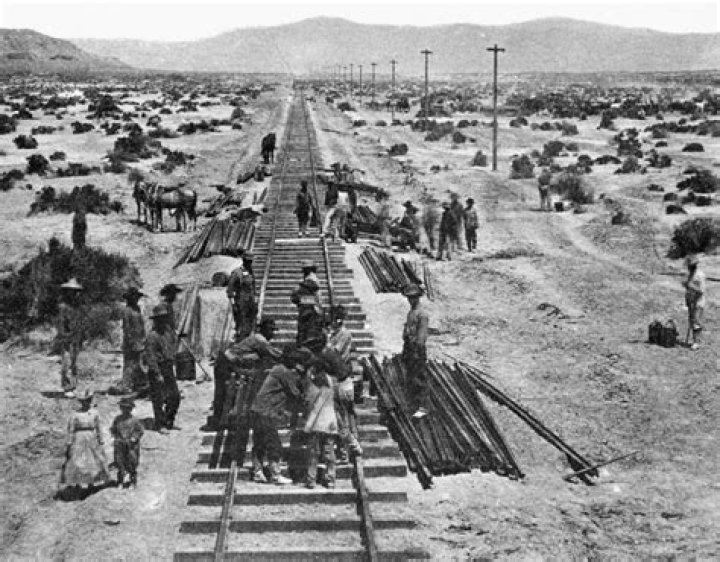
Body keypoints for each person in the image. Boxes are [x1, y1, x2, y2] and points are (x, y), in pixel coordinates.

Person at [250, 346, 309, 485]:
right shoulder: (283, 372)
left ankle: (257, 471)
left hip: (257, 410)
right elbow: (295, 393)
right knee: (274, 444)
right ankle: (275, 474)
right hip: (266, 412)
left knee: (259, 443)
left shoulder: (278, 369)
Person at [218, 318, 283, 433]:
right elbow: (275, 354)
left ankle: (232, 419)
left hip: (230, 362)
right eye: (270, 330)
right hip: (228, 364)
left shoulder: (258, 338)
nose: (272, 333)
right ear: (263, 330)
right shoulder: (260, 340)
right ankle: (232, 421)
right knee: (232, 392)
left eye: (273, 331)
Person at [324, 306, 362, 462]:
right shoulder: (335, 333)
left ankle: (347, 450)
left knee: (343, 417)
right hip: (335, 376)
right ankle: (343, 449)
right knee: (338, 416)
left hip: (342, 377)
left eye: (333, 319)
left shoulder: (344, 334)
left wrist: (326, 341)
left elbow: (334, 351)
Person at [59, 390, 109, 494]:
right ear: (81, 402)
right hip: (78, 439)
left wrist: (100, 439)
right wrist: (69, 442)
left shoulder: (94, 413)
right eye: (84, 401)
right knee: (77, 461)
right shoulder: (75, 415)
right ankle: (77, 483)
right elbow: (71, 430)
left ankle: (91, 483)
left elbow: (98, 427)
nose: (86, 403)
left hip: (91, 438)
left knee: (93, 460)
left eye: (89, 400)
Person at [303, 352, 338, 489]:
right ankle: (331, 479)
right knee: (329, 453)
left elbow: (315, 410)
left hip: (317, 425)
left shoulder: (317, 390)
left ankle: (311, 479)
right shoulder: (331, 386)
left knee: (314, 453)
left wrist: (307, 426)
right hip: (331, 424)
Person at [144, 304, 181, 432]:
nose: (163, 321)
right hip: (157, 368)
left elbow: (173, 347)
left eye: (164, 318)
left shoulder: (168, 333)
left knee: (175, 396)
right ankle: (160, 424)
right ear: (156, 320)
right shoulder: (152, 336)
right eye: (160, 319)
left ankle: (169, 420)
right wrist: (157, 373)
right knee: (158, 398)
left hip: (168, 367)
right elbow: (150, 357)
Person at [402, 284, 429, 418]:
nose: (410, 300)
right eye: (409, 297)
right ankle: (413, 406)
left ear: (418, 297)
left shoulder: (422, 314)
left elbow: (421, 336)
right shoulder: (411, 312)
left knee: (418, 378)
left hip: (416, 349)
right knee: (410, 378)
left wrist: (417, 351)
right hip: (409, 347)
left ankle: (422, 408)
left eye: (413, 297)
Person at [57, 277, 84, 398]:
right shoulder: (63, 307)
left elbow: (79, 323)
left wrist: (81, 336)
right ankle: (67, 386)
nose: (74, 294)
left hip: (76, 338)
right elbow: (61, 324)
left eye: (75, 292)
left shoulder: (76, 307)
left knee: (74, 363)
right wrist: (65, 337)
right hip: (67, 339)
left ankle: (73, 386)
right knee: (66, 363)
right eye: (71, 291)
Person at [110, 397, 144, 488]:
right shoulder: (118, 419)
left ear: (131, 409)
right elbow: (113, 429)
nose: (125, 410)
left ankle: (132, 481)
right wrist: (115, 437)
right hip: (120, 443)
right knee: (120, 462)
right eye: (123, 408)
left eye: (127, 408)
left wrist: (134, 438)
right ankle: (120, 481)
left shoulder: (134, 420)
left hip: (131, 445)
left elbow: (140, 430)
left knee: (132, 462)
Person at [291, 260, 325, 346]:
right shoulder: (309, 278)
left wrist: (298, 290)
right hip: (309, 309)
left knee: (308, 333)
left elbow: (312, 287)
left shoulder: (311, 278)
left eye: (305, 269)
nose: (303, 271)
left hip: (311, 309)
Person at [120, 287, 146, 395]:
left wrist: (143, 339)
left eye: (137, 297)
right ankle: (126, 386)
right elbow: (126, 328)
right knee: (129, 364)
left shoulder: (137, 309)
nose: (136, 299)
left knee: (138, 364)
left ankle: (137, 384)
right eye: (134, 297)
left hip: (140, 340)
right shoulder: (127, 310)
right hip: (131, 342)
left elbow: (141, 325)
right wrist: (131, 341)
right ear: (129, 298)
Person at [227, 252, 257, 341]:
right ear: (244, 261)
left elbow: (253, 287)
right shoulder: (237, 272)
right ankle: (240, 341)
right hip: (241, 301)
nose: (249, 263)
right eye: (248, 261)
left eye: (251, 261)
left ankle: (248, 339)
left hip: (250, 301)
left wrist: (255, 300)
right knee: (241, 323)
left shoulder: (250, 272)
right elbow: (230, 289)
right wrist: (233, 304)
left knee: (251, 322)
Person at [683, 254, 706, 350]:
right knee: (692, 320)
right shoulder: (690, 274)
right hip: (691, 301)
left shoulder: (700, 275)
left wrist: (690, 285)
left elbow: (701, 290)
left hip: (698, 302)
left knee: (696, 321)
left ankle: (697, 342)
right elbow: (689, 286)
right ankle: (694, 340)